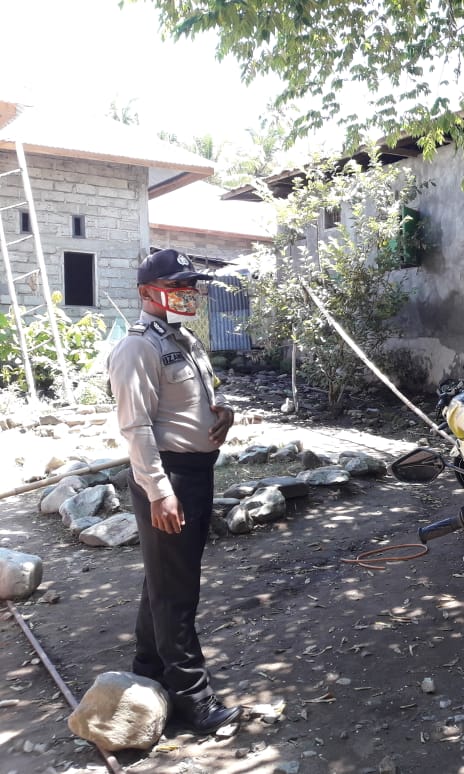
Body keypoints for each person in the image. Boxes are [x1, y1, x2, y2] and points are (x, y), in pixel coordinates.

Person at [107, 248, 242, 734]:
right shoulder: (137, 348)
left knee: (164, 580)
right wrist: (160, 492)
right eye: (175, 286)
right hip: (170, 479)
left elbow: (197, 395)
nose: (186, 294)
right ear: (146, 293)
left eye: (190, 286)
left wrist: (221, 410)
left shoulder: (182, 339)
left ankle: (149, 669)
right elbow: (136, 427)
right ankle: (193, 701)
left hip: (196, 473)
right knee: (178, 591)